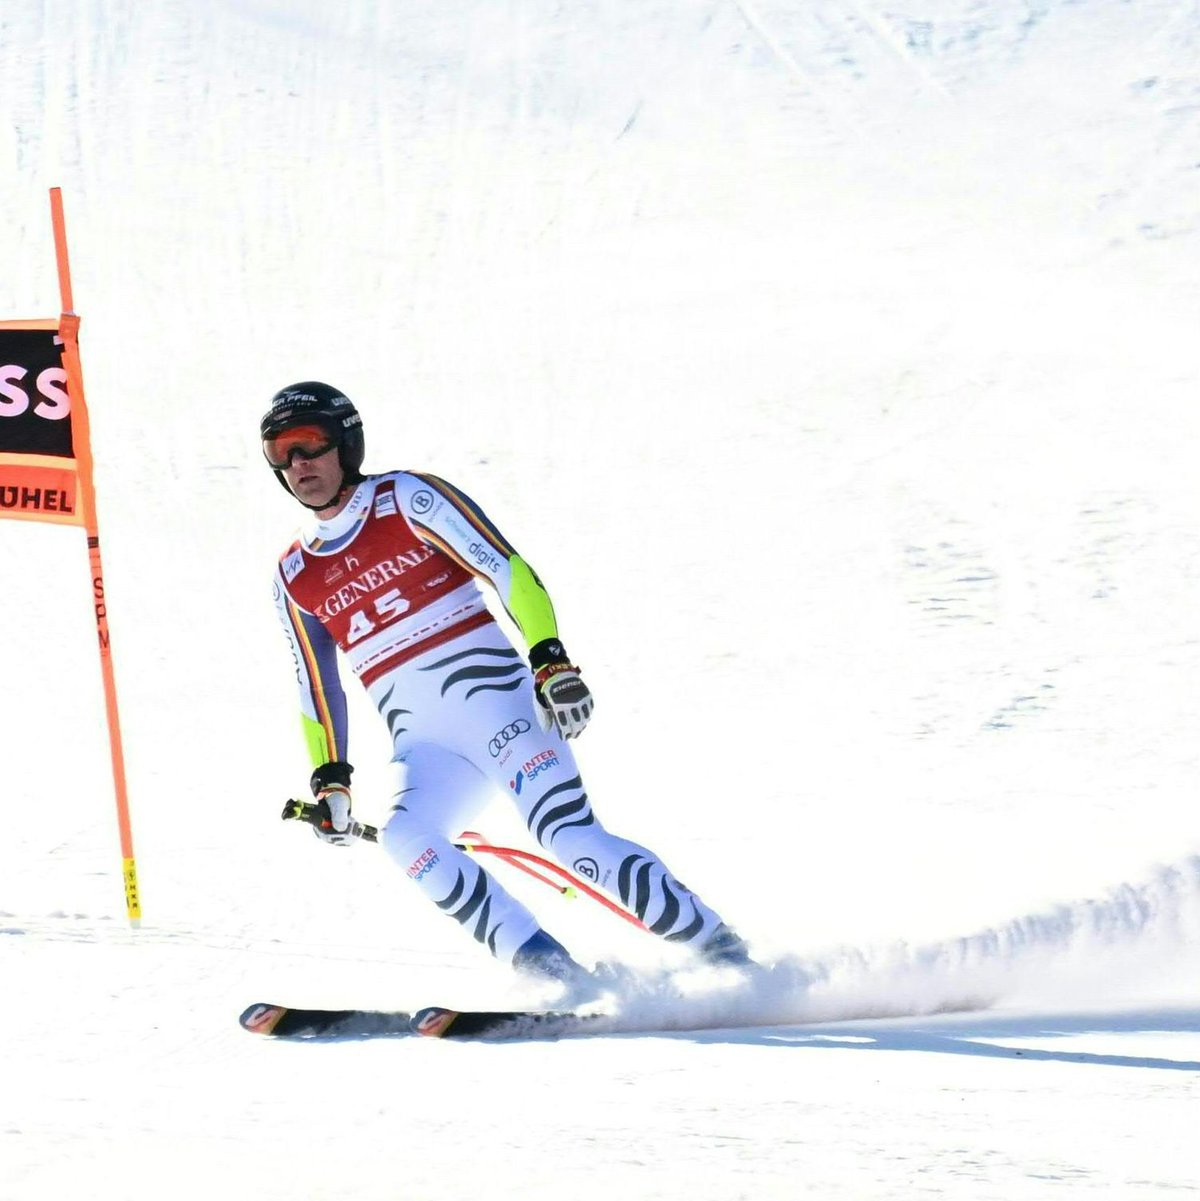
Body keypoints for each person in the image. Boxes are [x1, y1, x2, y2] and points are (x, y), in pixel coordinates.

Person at [263, 381, 751, 996]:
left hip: (500, 711)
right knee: (406, 839)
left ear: (346, 442)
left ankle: (729, 958)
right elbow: (314, 682)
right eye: (280, 453)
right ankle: (556, 979)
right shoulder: (294, 574)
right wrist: (330, 779)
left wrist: (550, 661)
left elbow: (505, 567)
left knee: (569, 839)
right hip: (428, 749)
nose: (297, 465)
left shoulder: (405, 498)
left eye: (308, 445)